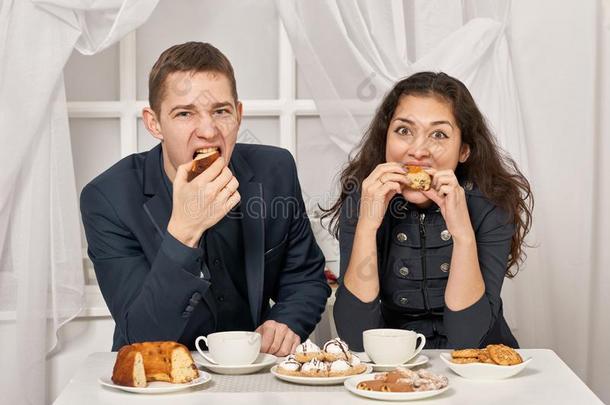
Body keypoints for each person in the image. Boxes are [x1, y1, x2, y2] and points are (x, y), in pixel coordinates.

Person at [80, 42, 330, 355]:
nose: (209, 131)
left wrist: (286, 321)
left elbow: (305, 279)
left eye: (220, 111)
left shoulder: (274, 171)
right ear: (154, 123)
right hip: (160, 379)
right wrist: (184, 233)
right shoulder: (107, 198)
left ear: (238, 115)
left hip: (253, 367)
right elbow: (141, 337)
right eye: (185, 113)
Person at [325, 72, 532, 351]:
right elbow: (355, 337)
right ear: (385, 138)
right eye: (404, 130)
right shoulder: (364, 198)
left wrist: (463, 235)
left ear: (464, 150)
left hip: (480, 368)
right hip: (394, 365)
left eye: (439, 134)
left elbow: (468, 341)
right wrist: (367, 226)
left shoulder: (492, 203)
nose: (418, 150)